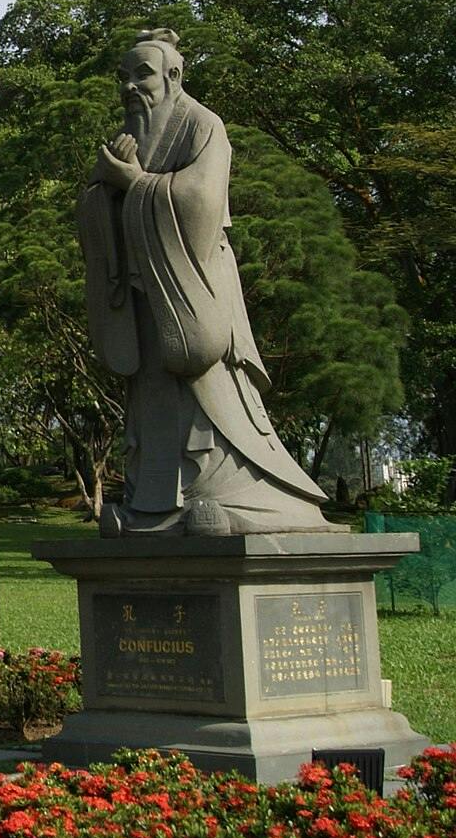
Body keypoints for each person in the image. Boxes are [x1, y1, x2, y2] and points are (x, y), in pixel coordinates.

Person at [77, 29, 336, 536]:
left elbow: (200, 200)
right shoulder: (125, 137)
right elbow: (92, 209)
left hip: (194, 291)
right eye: (123, 78)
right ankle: (150, 504)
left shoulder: (202, 125)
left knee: (208, 392)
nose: (131, 87)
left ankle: (232, 493)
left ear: (173, 76)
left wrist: (132, 182)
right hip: (143, 298)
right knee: (152, 393)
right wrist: (104, 190)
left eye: (143, 75)